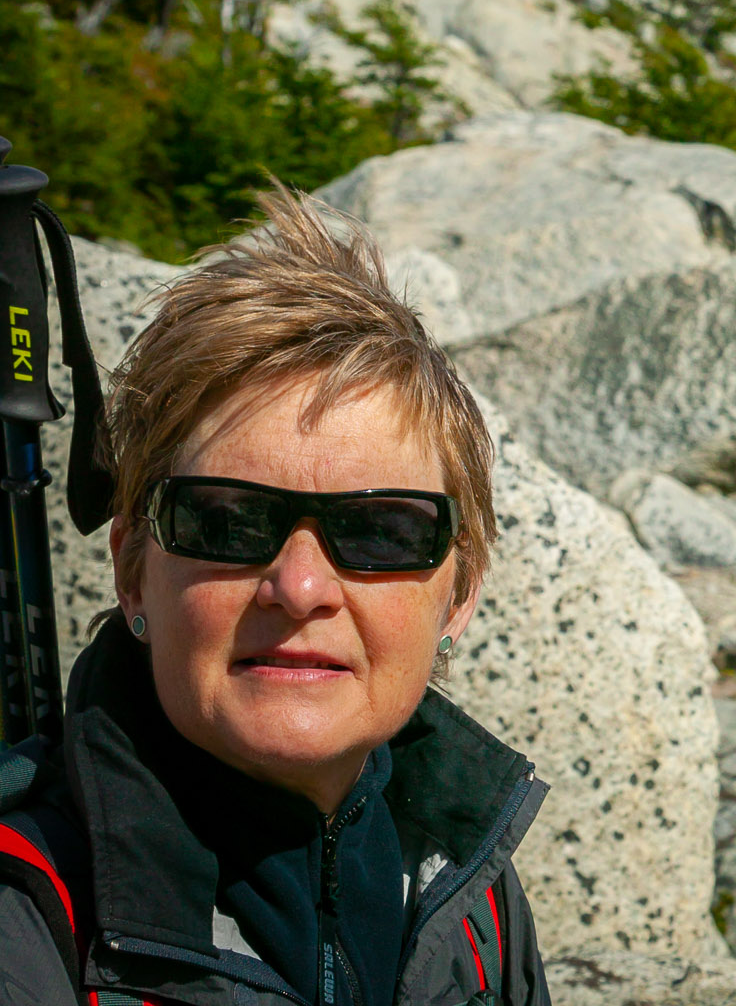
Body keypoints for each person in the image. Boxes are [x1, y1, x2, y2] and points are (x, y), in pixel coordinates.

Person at [0, 187, 550, 1006]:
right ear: (131, 569)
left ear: (460, 592)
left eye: (381, 532)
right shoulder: (29, 917)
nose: (299, 588)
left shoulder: (469, 892)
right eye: (225, 521)